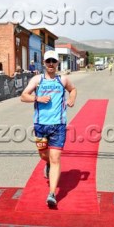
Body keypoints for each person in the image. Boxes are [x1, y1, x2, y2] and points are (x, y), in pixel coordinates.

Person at [21, 50, 77, 207]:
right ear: (44, 63)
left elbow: (73, 89)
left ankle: (52, 194)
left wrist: (71, 98)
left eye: (53, 61)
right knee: (44, 155)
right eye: (48, 61)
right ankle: (47, 164)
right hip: (40, 125)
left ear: (57, 63)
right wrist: (37, 98)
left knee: (55, 158)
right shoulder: (37, 80)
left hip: (58, 125)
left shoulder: (63, 79)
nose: (51, 64)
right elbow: (23, 95)